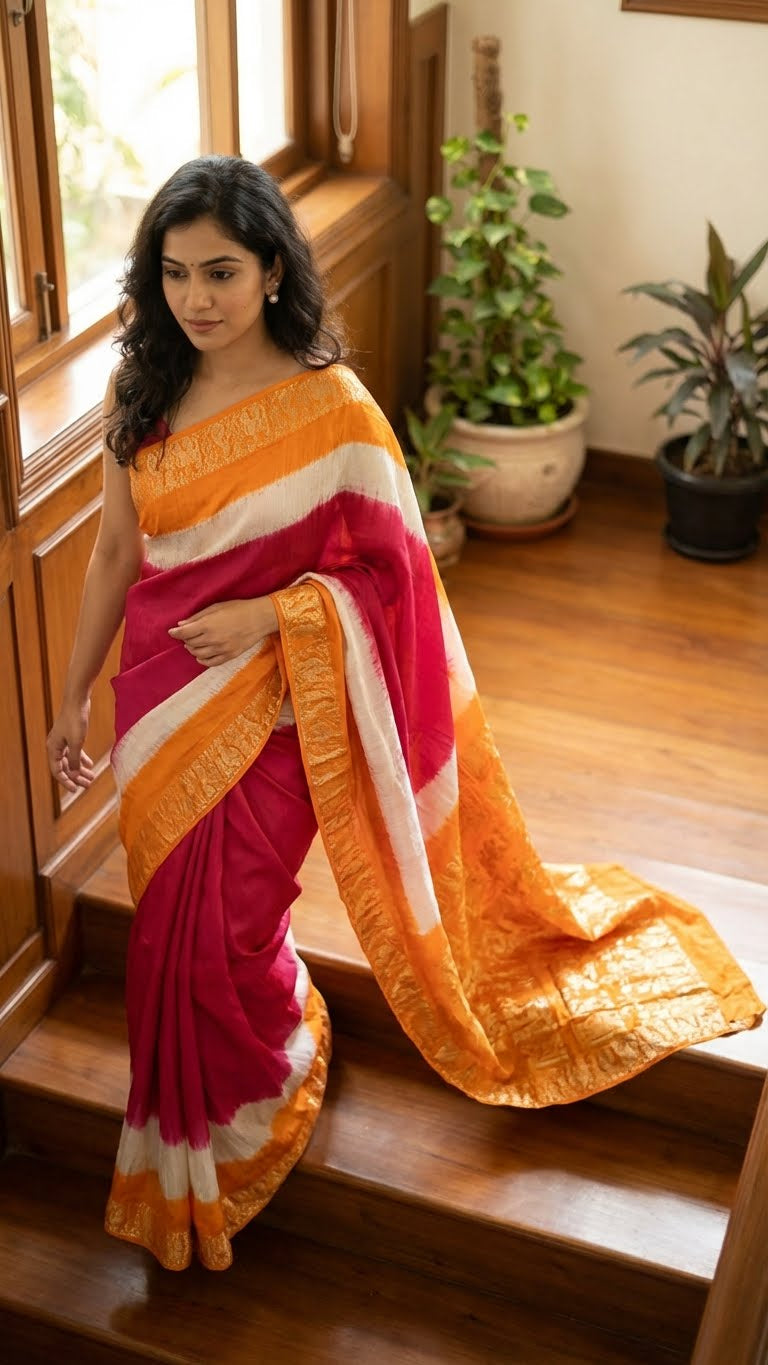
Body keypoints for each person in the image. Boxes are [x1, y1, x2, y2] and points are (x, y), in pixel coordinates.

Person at [47, 155, 763, 1274]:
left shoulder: (331, 409)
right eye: (177, 273)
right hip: (157, 702)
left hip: (281, 705)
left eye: (223, 271)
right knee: (168, 939)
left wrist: (275, 620)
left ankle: (262, 1083)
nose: (198, 298)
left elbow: (398, 582)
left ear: (274, 269)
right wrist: (68, 703)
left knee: (225, 926)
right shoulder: (140, 390)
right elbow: (108, 556)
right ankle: (196, 1142)